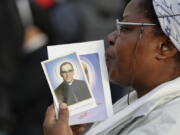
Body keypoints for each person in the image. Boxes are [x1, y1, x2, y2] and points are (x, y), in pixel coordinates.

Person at [43, 0, 180, 134]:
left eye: (125, 28)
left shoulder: (168, 122)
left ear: (164, 47)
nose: (111, 37)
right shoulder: (136, 102)